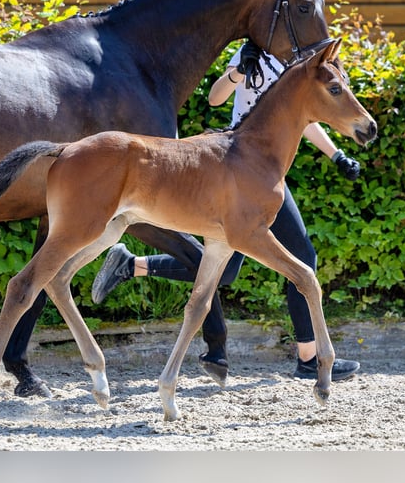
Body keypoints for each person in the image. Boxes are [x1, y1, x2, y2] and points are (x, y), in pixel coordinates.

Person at [92, 40, 362, 382]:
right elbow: (215, 97)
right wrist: (237, 71)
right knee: (248, 267)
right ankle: (305, 358)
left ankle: (132, 265)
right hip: (238, 163)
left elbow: (307, 117)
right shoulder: (256, 53)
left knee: (291, 257)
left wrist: (336, 155)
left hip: (267, 173)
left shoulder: (301, 69)